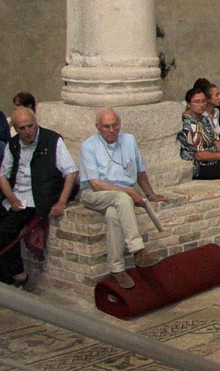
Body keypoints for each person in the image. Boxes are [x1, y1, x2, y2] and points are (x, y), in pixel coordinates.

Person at [79, 108, 167, 289]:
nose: (112, 130)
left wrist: (150, 194)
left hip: (119, 196)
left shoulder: (129, 140)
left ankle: (117, 268)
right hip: (95, 193)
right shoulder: (89, 146)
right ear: (98, 127)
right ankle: (138, 250)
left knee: (113, 215)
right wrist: (129, 192)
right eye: (106, 127)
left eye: (115, 125)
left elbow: (140, 171)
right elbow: (95, 184)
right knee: (123, 198)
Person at [0, 108, 78, 288]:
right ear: (16, 129)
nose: (28, 131)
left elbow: (71, 172)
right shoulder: (13, 144)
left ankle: (17, 276)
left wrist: (61, 201)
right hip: (16, 197)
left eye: (31, 126)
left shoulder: (52, 140)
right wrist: (11, 198)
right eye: (22, 128)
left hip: (37, 199)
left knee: (4, 231)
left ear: (36, 123)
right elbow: (3, 175)